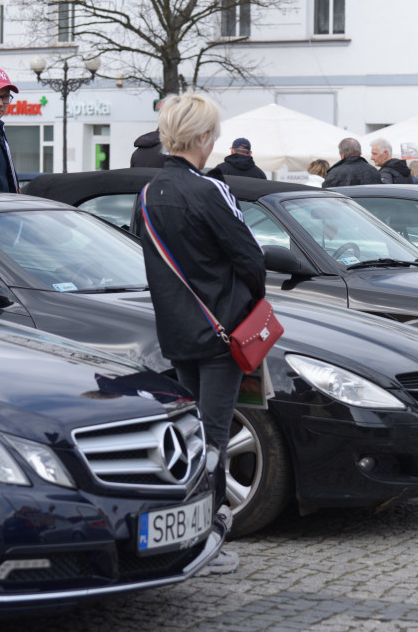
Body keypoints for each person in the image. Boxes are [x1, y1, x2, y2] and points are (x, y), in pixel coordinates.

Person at [137, 93, 266, 575]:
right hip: (221, 332)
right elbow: (249, 257)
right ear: (203, 137)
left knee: (186, 439)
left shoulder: (148, 194)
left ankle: (180, 535)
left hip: (177, 329)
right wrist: (246, 303)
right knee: (212, 439)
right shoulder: (208, 190)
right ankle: (205, 541)